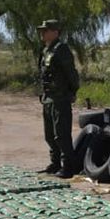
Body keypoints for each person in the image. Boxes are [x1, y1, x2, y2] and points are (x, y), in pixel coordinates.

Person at [36, 19, 80, 178]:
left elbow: (71, 74)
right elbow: (42, 74)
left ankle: (68, 166)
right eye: (42, 30)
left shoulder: (61, 49)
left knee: (61, 134)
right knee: (49, 134)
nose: (43, 33)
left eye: (46, 30)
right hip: (48, 98)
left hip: (60, 98)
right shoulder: (46, 50)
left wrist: (73, 91)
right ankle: (55, 163)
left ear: (55, 32)